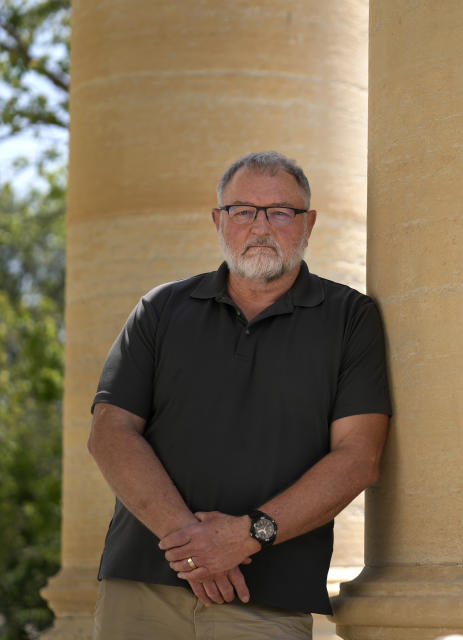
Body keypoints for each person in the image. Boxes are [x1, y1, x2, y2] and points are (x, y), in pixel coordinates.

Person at [87, 151, 391, 639]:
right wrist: (195, 547)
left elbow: (358, 458)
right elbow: (110, 433)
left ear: (309, 223)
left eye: (281, 212)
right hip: (141, 588)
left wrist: (247, 535)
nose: (261, 227)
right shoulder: (162, 309)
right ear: (218, 220)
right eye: (243, 211)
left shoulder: (350, 319)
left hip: (266, 599)